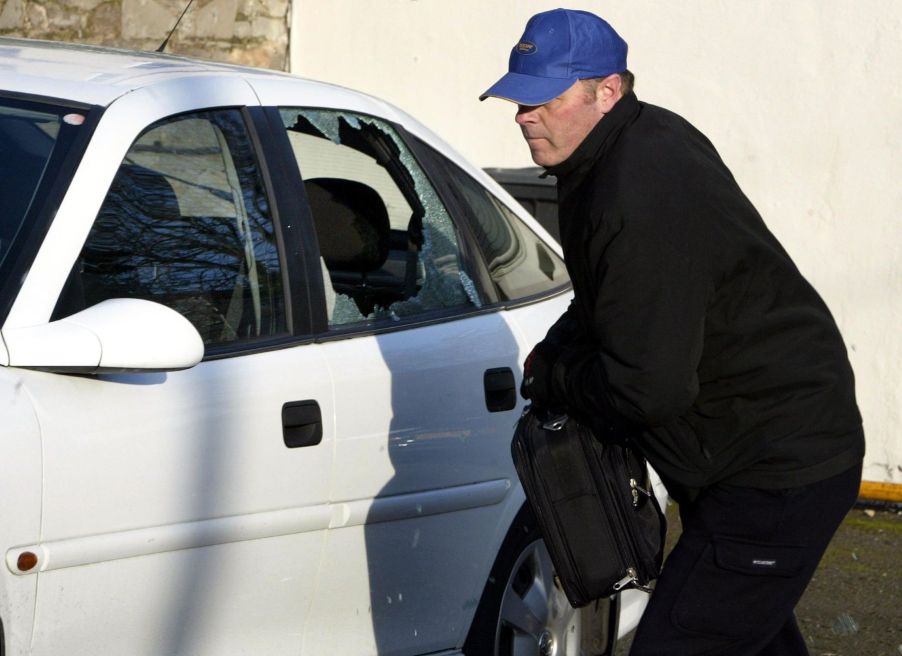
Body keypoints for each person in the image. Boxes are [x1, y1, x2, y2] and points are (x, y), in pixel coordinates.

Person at [480, 9, 865, 656]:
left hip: (774, 468)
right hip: (744, 459)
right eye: (518, 99)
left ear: (608, 91)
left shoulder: (639, 189)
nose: (524, 115)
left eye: (543, 99)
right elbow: (617, 299)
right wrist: (561, 350)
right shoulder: (619, 153)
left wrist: (556, 376)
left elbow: (646, 388)